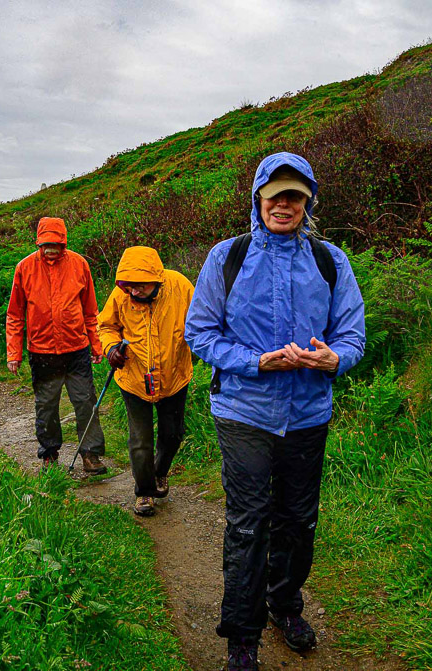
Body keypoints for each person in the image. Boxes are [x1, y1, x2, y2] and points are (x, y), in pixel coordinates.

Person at [184, 152, 366, 670]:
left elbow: (352, 333)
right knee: (249, 523)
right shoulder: (228, 256)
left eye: (295, 196)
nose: (284, 204)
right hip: (243, 410)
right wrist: (255, 362)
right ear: (258, 198)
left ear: (307, 203)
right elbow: (199, 332)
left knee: (298, 520)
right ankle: (241, 638)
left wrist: (336, 358)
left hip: (309, 412)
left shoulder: (331, 260)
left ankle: (284, 605)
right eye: (275, 194)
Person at [97, 246, 194, 517]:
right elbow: (106, 326)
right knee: (140, 440)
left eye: (139, 286)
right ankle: (143, 492)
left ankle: (160, 473)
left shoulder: (181, 287)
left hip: (174, 376)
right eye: (129, 286)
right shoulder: (122, 293)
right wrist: (111, 348)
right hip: (133, 378)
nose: (133, 292)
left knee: (172, 435)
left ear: (156, 280)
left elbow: (201, 322)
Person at [6, 217, 108, 474]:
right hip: (42, 352)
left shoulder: (79, 264)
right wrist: (13, 353)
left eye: (56, 244)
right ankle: (49, 454)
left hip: (76, 349)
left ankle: (90, 454)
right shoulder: (24, 268)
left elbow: (90, 311)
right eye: (46, 244)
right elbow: (15, 315)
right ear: (39, 243)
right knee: (47, 405)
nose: (51, 249)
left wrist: (96, 346)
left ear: (64, 242)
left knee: (86, 402)